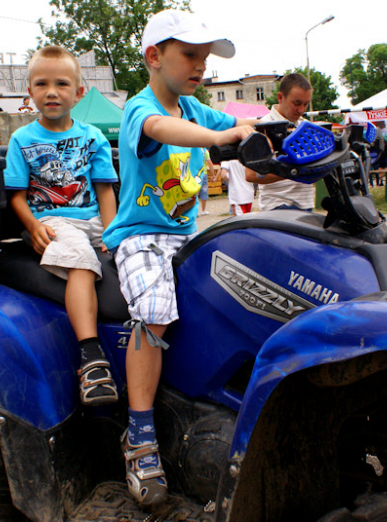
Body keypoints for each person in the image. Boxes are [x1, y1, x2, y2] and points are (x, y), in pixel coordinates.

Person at [101, 9, 255, 507]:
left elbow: (241, 124)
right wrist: (217, 139)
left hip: (184, 236)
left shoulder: (195, 107)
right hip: (141, 236)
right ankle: (140, 434)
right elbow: (165, 130)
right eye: (190, 55)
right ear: (154, 56)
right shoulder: (141, 110)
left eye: (204, 58)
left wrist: (290, 136)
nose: (200, 67)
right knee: (156, 312)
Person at [4, 46, 120, 408]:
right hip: (53, 219)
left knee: (138, 246)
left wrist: (114, 230)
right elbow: (17, 196)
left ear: (79, 92)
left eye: (61, 83)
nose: (51, 91)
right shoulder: (22, 139)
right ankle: (90, 355)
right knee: (82, 261)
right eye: (42, 83)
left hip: (92, 217)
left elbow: (104, 189)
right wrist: (32, 224)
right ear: (30, 92)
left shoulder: (93, 137)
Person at [244, 73, 316, 211]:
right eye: (297, 103)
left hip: (306, 205)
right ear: (280, 97)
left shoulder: (306, 126)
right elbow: (250, 174)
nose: (301, 110)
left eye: (305, 104)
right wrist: (292, 171)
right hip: (277, 207)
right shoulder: (262, 127)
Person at [199, 149, 211, 215]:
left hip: (195, 174)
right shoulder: (205, 151)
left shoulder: (192, 150)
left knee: (195, 194)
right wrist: (213, 174)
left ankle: (195, 212)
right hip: (204, 173)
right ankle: (203, 210)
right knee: (204, 192)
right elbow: (209, 163)